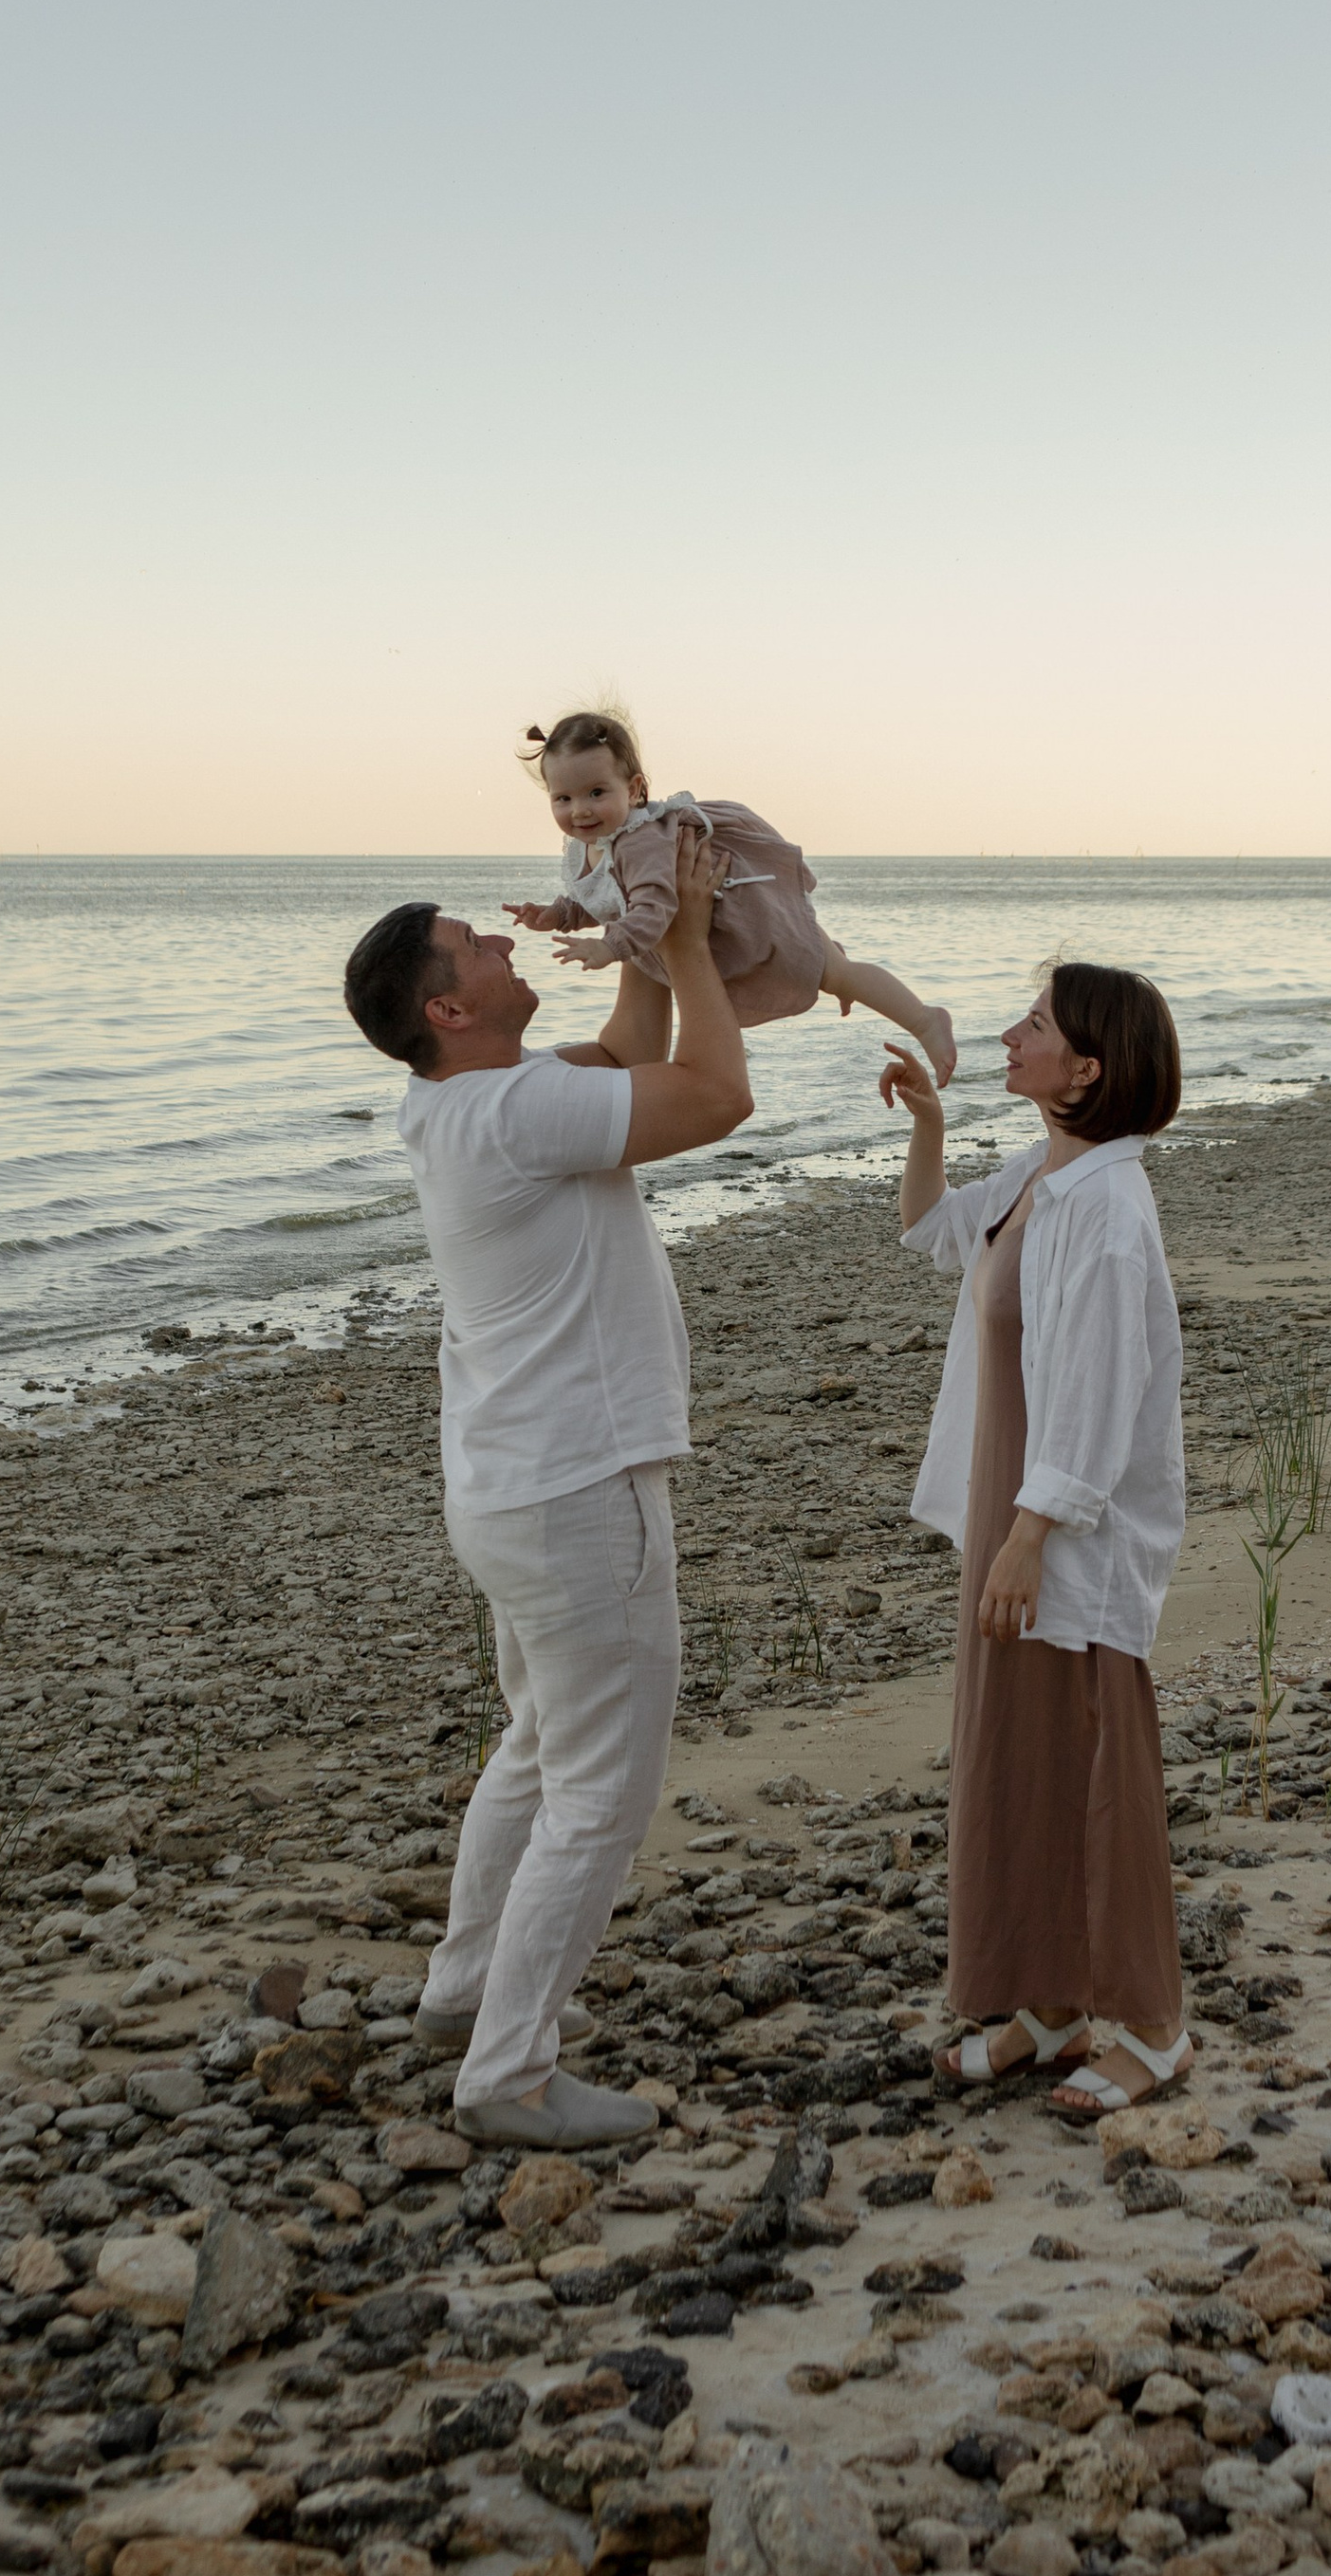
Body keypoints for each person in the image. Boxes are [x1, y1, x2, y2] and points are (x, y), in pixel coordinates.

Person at [341, 836, 752, 2149]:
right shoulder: (515, 1113)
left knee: (537, 1747)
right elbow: (711, 1095)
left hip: (507, 1491)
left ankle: (465, 1994)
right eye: (478, 946)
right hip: (580, 1489)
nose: (506, 941)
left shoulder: (462, 1101)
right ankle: (509, 2073)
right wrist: (689, 943)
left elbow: (631, 1054)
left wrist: (635, 931)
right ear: (448, 1009)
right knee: (602, 1787)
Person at [881, 965, 1195, 2119]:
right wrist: (928, 1125)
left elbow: (1104, 1400)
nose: (1009, 1036)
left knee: (1097, 1757)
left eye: (1035, 1025)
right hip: (1007, 1506)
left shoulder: (1110, 1212)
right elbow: (930, 1232)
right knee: (1016, 1754)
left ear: (1088, 1069)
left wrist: (1027, 1538)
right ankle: (1053, 2003)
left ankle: (1154, 2025)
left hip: (1063, 1523)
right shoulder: (1045, 1175)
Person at [502, 705, 960, 1087]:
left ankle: (924, 1020)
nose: (579, 810)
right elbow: (603, 898)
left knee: (836, 973)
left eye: (596, 792)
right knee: (831, 970)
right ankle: (826, 956)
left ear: (636, 790)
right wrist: (556, 914)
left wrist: (610, 946)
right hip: (732, 924)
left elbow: (652, 906)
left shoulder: (638, 841)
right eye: (563, 798)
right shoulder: (592, 842)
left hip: (741, 917)